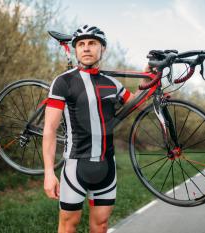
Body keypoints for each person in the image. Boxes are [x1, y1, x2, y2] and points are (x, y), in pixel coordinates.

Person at [42, 25, 141, 233]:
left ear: (102, 49)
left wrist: (150, 81)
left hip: (107, 167)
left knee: (101, 225)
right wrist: (49, 173)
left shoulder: (113, 84)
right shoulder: (63, 82)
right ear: (76, 50)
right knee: (69, 225)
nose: (86, 48)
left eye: (92, 43)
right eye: (81, 44)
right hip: (75, 166)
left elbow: (138, 104)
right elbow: (50, 129)